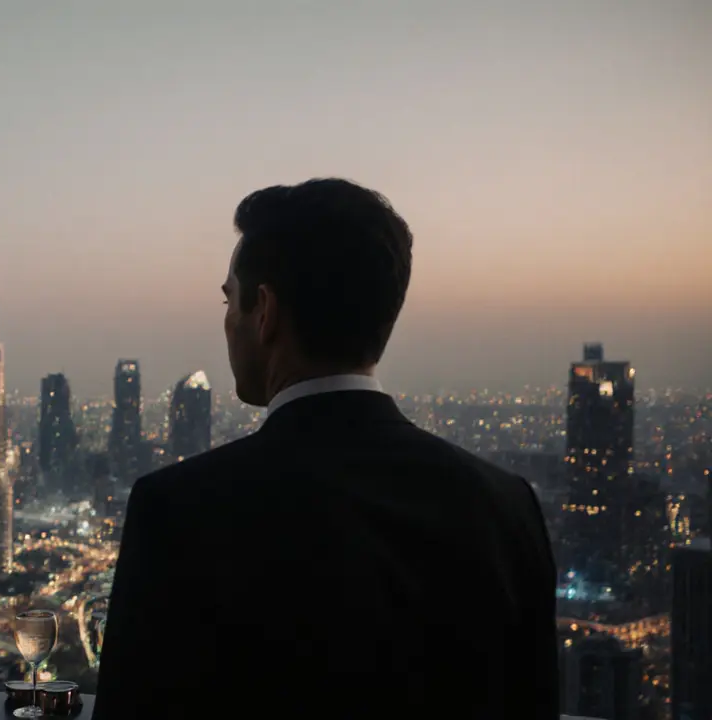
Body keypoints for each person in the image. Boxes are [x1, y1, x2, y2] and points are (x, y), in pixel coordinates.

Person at [92, 180, 558, 719]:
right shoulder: (506, 506)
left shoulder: (177, 511)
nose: (227, 321)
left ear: (263, 311)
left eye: (229, 300)